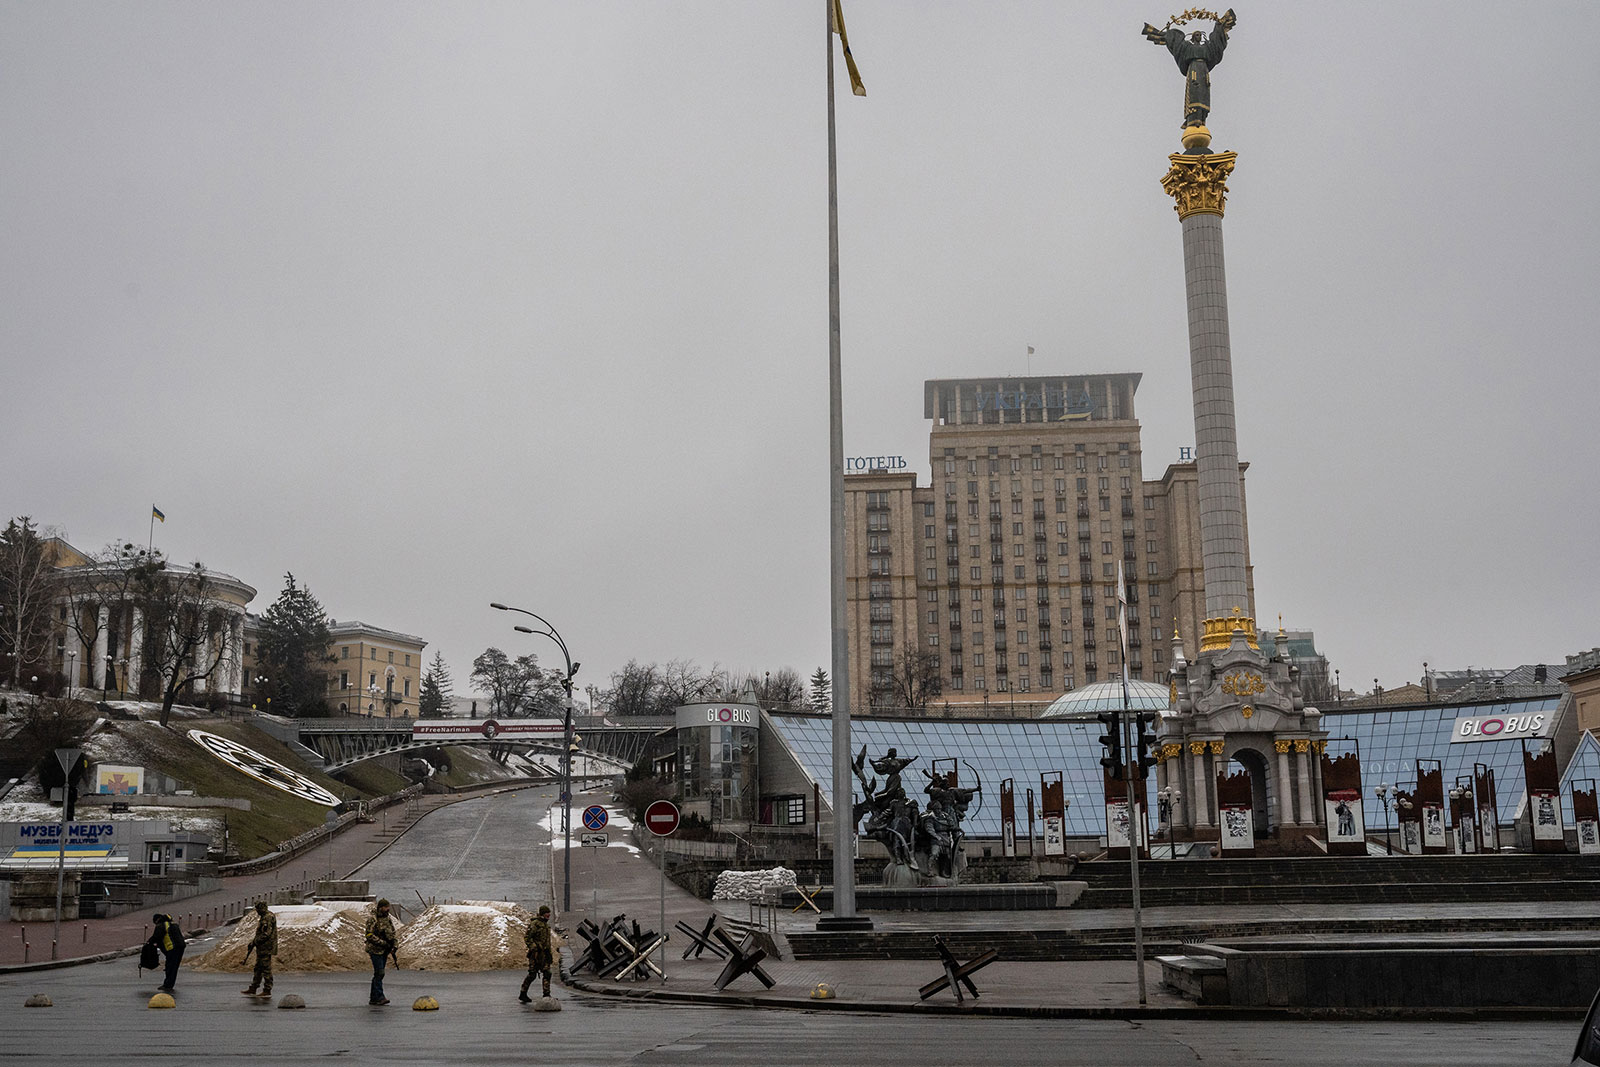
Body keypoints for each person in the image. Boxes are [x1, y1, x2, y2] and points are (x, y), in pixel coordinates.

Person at [363, 898, 398, 1006]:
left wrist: (394, 945)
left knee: (379, 974)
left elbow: (392, 932)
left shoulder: (387, 919)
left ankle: (374, 998)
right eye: (386, 907)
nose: (388, 909)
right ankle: (379, 996)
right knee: (380, 973)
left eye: (388, 907)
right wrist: (382, 943)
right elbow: (369, 935)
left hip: (384, 950)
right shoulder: (373, 919)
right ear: (380, 908)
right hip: (375, 950)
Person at [241, 901, 278, 998]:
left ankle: (267, 989)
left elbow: (266, 934)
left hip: (266, 947)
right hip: (262, 947)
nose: (257, 911)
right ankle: (253, 987)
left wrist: (255, 942)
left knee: (266, 969)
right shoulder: (264, 916)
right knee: (258, 968)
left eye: (258, 909)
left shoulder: (268, 917)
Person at [519, 904, 554, 1002]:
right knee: (532, 975)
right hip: (536, 954)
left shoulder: (546, 925)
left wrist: (549, 953)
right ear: (542, 914)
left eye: (549, 913)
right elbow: (527, 937)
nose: (549, 915)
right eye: (547, 913)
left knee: (547, 973)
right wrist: (533, 947)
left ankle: (546, 994)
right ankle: (523, 993)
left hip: (545, 954)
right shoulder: (535, 924)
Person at [146, 912, 185, 993]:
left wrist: (149, 943)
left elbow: (156, 937)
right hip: (181, 947)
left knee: (170, 967)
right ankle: (169, 984)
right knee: (174, 967)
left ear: (156, 920)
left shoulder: (161, 926)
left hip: (172, 948)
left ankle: (167, 985)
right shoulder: (173, 924)